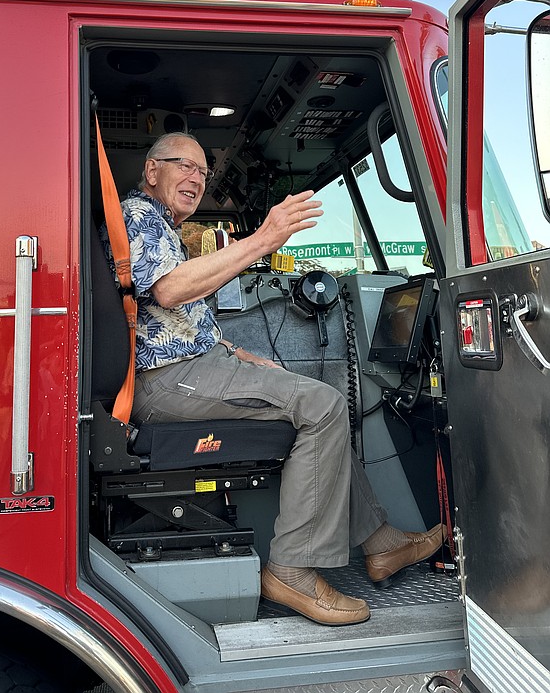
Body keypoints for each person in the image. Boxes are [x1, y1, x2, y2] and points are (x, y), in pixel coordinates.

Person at [102, 132, 445, 626]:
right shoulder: (139, 215)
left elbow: (170, 320)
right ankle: (292, 571)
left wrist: (235, 351)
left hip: (187, 368)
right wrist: (264, 239)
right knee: (323, 406)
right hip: (165, 382)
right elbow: (169, 289)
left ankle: (383, 545)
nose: (197, 179)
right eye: (185, 166)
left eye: (203, 171)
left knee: (314, 404)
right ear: (153, 170)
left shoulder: (159, 224)